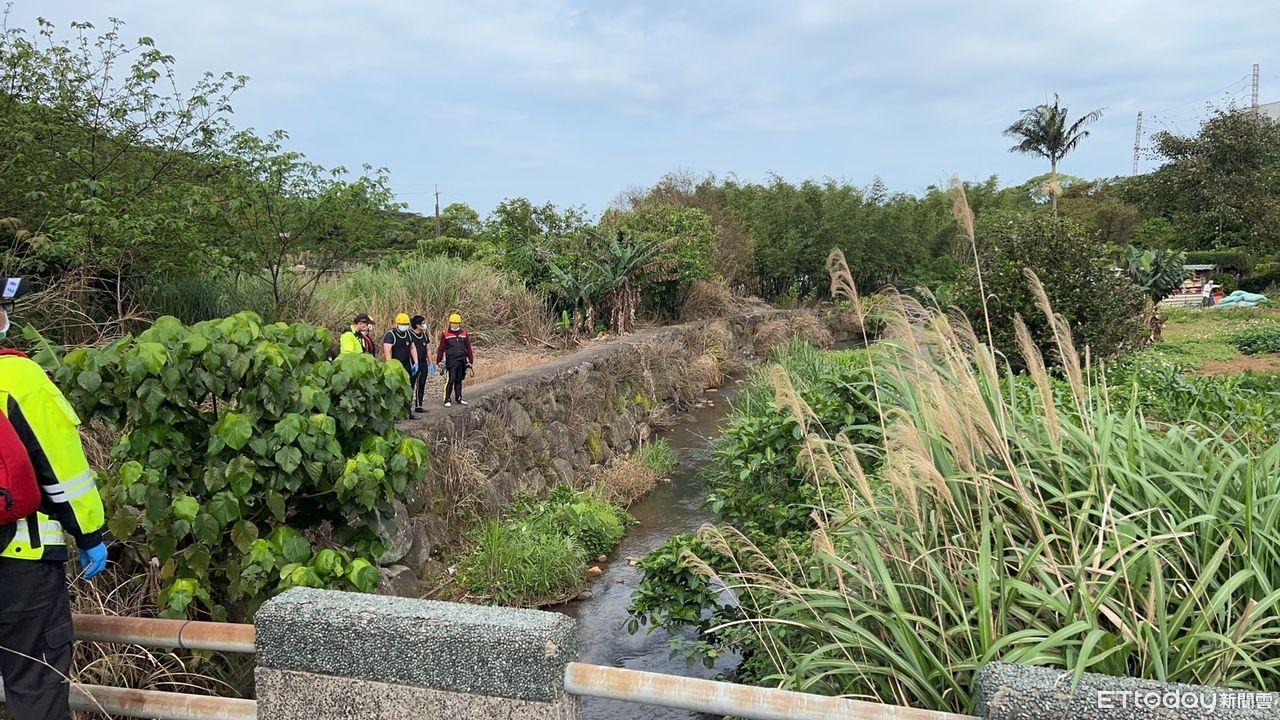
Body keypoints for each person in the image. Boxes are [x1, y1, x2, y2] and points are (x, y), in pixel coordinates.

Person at [0, 282, 108, 720]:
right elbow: (63, 469)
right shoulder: (17, 377)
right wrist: (89, 534)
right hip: (19, 562)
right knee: (36, 682)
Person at [383, 313, 420, 419]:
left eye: (406, 324)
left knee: (408, 389)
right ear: (397, 323)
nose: (404, 326)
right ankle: (393, 415)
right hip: (395, 367)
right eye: (402, 324)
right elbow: (387, 351)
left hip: (407, 366)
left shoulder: (408, 334)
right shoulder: (390, 335)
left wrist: (416, 362)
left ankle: (408, 412)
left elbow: (412, 348)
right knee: (394, 391)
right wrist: (390, 366)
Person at [435, 313, 473, 408]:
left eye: (457, 323)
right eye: (453, 323)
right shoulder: (445, 334)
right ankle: (447, 399)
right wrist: (439, 361)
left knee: (459, 380)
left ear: (459, 323)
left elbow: (468, 348)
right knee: (450, 379)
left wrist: (470, 361)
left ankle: (459, 398)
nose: (455, 325)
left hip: (462, 360)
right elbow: (441, 348)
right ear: (450, 323)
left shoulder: (464, 334)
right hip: (451, 360)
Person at [408, 315, 433, 413]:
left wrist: (430, 363)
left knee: (421, 383)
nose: (424, 325)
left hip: (423, 363)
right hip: (413, 364)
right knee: (411, 385)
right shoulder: (410, 335)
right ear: (417, 325)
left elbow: (428, 349)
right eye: (422, 323)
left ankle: (419, 405)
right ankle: (408, 407)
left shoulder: (424, 335)